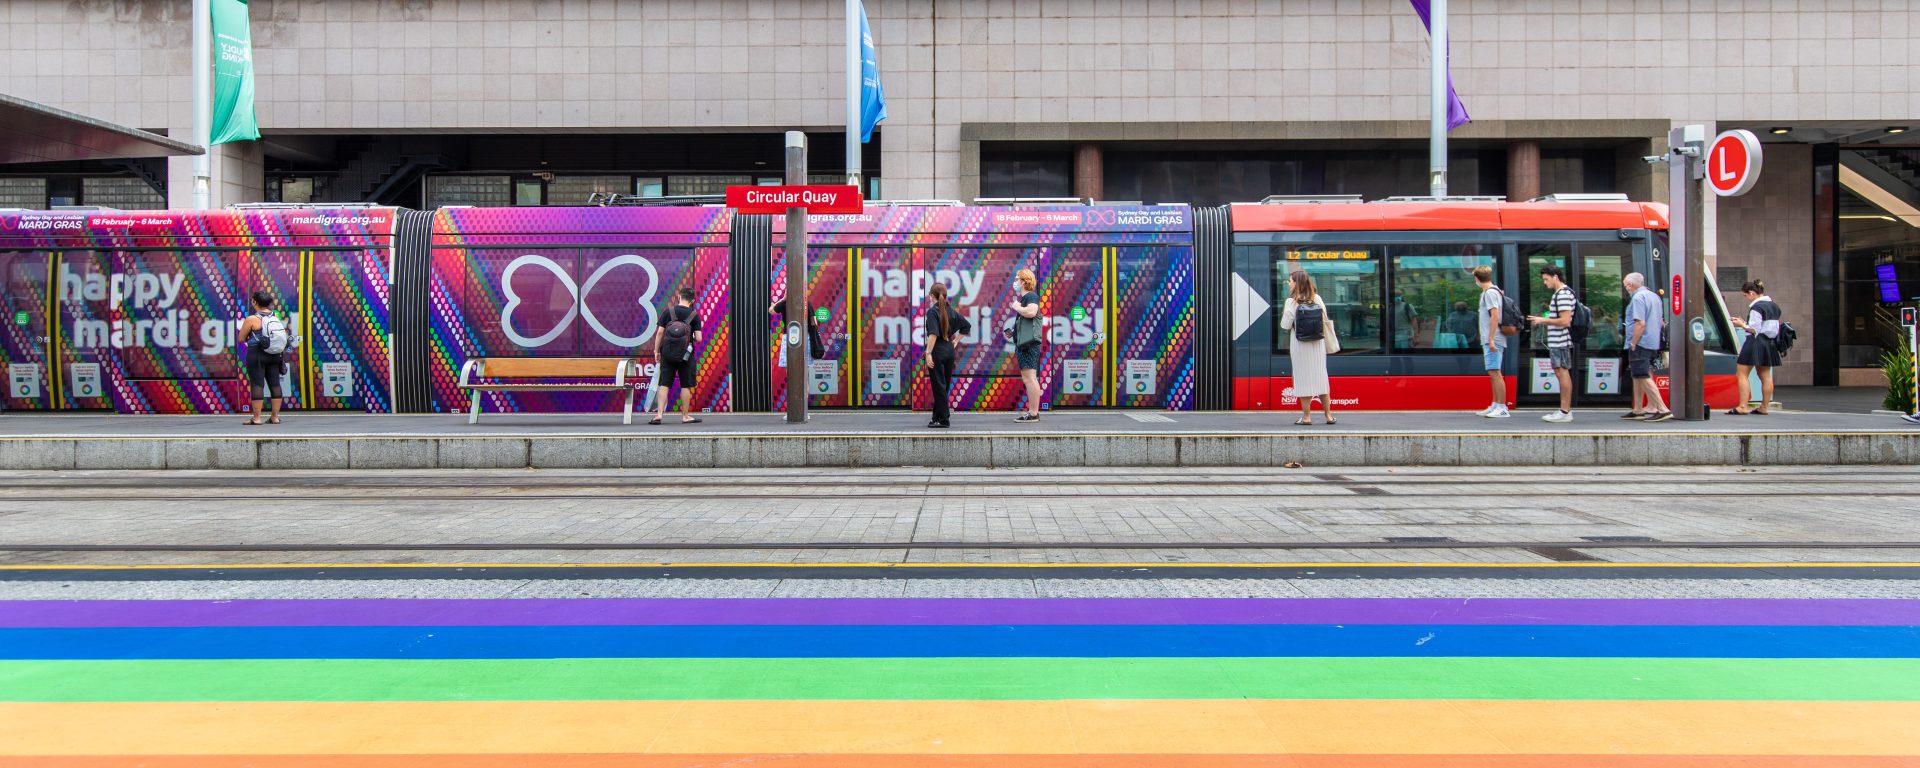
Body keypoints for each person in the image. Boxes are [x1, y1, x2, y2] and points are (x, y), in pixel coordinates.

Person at [1279, 270, 1341, 425]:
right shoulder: (1317, 298)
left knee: (1303, 380)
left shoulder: (1291, 302)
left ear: (1297, 283)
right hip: (1317, 345)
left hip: (1300, 346)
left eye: (1290, 281)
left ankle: (1306, 417)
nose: (1289, 283)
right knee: (1321, 379)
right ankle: (1328, 416)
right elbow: (1324, 320)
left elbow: (1285, 326)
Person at [1526, 265, 1577, 422]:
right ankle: (1563, 410)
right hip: (1558, 341)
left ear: (1555, 277)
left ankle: (1565, 411)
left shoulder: (1562, 294)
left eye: (1546, 279)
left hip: (1560, 341)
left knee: (1562, 373)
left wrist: (1542, 320)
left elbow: (1565, 320)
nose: (1544, 282)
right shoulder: (1561, 293)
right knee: (1560, 373)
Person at [236, 291, 293, 426]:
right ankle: (275, 417)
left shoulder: (252, 319)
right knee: (275, 384)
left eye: (253, 300)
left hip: (257, 354)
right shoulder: (276, 316)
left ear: (255, 302)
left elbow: (241, 338)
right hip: (274, 354)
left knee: (257, 384)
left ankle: (256, 418)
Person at [1622, 272, 1672, 422]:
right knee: (1637, 374)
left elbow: (1640, 323)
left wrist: (1633, 342)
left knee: (1642, 374)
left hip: (1640, 342)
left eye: (1625, 285)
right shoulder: (1654, 296)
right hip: (1652, 341)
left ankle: (1662, 409)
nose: (1625, 288)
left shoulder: (1637, 298)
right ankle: (1638, 409)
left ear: (1630, 285)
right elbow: (1661, 321)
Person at [1727, 279, 1782, 416]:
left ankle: (1743, 406)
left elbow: (1754, 329)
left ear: (1751, 293)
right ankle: (1764, 407)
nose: (1745, 298)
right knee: (1765, 375)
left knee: (1742, 373)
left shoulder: (1756, 307)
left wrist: (1741, 324)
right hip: (1769, 342)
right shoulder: (1774, 306)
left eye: (1745, 295)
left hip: (1755, 342)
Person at [649, 287, 703, 425]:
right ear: (692, 301)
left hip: (668, 353)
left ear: (679, 296)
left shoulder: (669, 312)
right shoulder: (694, 315)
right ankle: (685, 416)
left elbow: (660, 333)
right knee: (685, 385)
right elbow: (699, 338)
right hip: (686, 355)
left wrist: (657, 352)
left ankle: (659, 414)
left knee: (664, 383)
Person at [923, 282, 972, 429]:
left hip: (937, 350)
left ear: (932, 296)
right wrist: (955, 341)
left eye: (930, 296)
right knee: (943, 386)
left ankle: (944, 419)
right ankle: (936, 417)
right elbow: (966, 326)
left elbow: (932, 334)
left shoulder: (932, 312)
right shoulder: (951, 311)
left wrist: (928, 353)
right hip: (949, 350)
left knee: (938, 386)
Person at [1472, 266, 1510, 418]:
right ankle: (1495, 404)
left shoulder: (1490, 293)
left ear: (1477, 278)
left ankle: (1502, 407)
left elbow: (1495, 316)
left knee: (1495, 372)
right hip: (1491, 338)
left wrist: (1491, 338)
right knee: (1492, 372)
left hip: (1493, 338)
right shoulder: (1492, 292)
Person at [1010, 268, 1043, 423]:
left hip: (1028, 345)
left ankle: (1034, 413)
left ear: (1023, 281)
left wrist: (1017, 307)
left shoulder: (1030, 296)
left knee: (1030, 378)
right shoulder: (1026, 298)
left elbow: (1031, 312)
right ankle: (1033, 411)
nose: (1015, 282)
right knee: (1029, 378)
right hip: (1025, 344)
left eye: (1017, 279)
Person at [769, 295, 826, 365]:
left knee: (789, 366)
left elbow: (771, 310)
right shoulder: (807, 304)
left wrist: (783, 299)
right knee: (804, 368)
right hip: (806, 338)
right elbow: (814, 323)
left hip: (788, 338)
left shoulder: (785, 304)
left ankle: (790, 376)